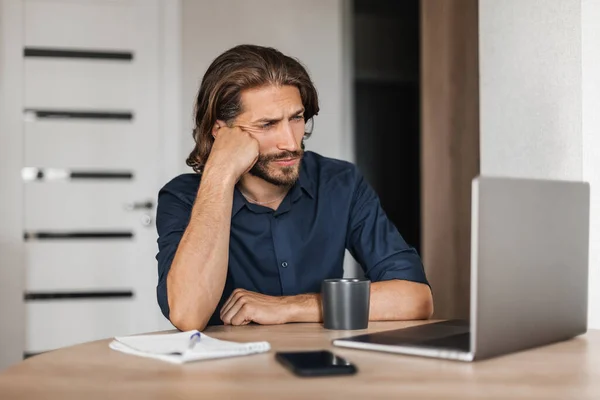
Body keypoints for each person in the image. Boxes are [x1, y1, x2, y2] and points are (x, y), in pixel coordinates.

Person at [156, 44, 433, 331]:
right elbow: (187, 315)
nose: (290, 143)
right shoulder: (183, 198)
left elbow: (415, 299)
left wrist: (290, 307)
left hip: (320, 367)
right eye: (267, 125)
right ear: (221, 132)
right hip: (229, 373)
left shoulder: (339, 182)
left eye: (296, 118)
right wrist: (220, 173)